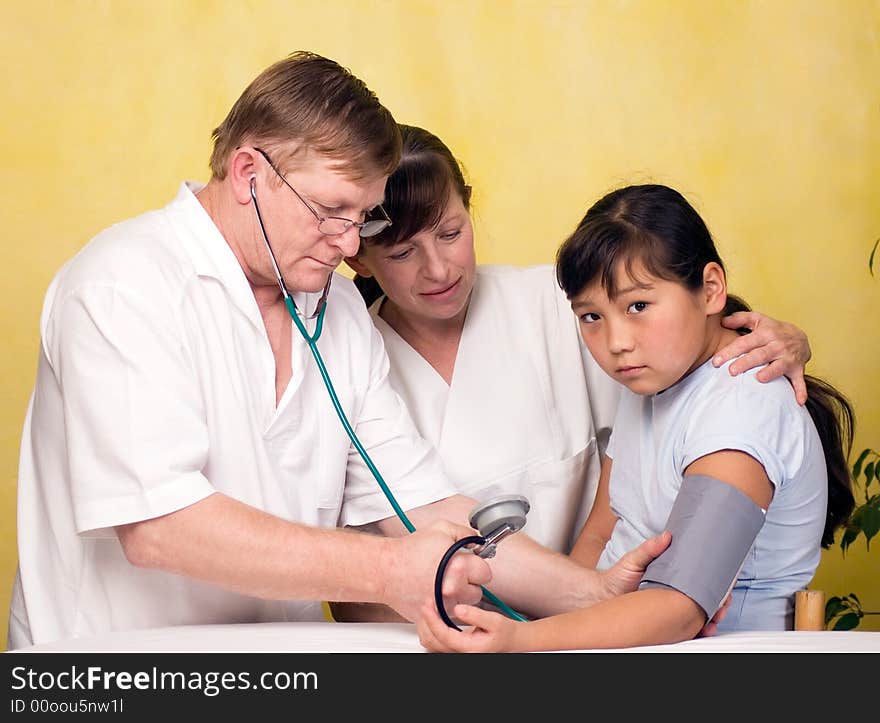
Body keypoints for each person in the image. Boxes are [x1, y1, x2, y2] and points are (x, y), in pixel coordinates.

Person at [8, 52, 679, 650]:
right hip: (109, 672)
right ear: (248, 174)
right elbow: (162, 527)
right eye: (332, 211)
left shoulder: (338, 313)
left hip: (280, 671)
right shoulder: (124, 285)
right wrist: (393, 570)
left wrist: (601, 602)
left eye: (362, 217)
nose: (351, 245)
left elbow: (425, 508)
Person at [416, 183, 855, 652]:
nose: (616, 341)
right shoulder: (652, 383)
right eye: (591, 316)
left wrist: (522, 642)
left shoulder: (741, 412)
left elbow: (679, 606)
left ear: (710, 290)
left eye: (638, 306)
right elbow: (602, 531)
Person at [345, 125, 812, 557]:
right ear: (359, 258)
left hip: (599, 605)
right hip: (442, 630)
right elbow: (358, 575)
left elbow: (694, 354)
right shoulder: (350, 361)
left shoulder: (568, 302)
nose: (439, 269)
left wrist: (779, 337)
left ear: (469, 207)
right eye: (402, 252)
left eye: (451, 233)